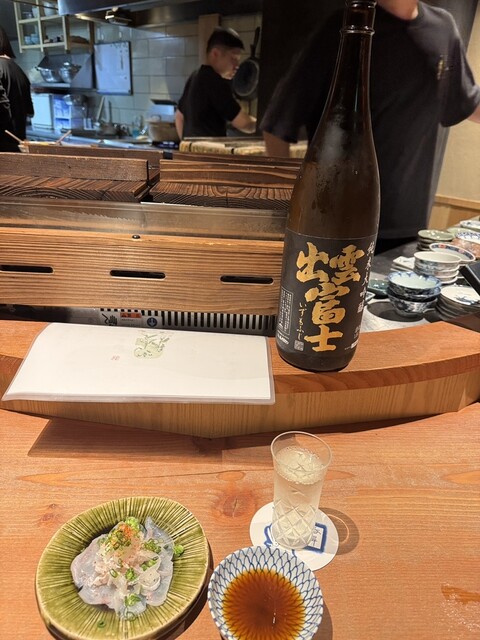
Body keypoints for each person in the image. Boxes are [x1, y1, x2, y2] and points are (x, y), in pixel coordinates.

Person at [261, 0, 480, 254]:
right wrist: (290, 207)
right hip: (337, 221)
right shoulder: (346, 25)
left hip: (409, 224)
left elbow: (467, 102)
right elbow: (278, 121)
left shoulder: (443, 28)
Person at [175, 27, 256, 139]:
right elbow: (244, 124)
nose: (237, 66)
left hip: (191, 149)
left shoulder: (195, 76)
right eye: (233, 58)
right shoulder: (214, 81)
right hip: (208, 150)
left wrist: (186, 145)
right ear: (215, 53)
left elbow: (179, 117)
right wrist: (265, 125)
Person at [0, 25, 34, 152]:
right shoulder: (19, 70)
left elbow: (2, 108)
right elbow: (30, 111)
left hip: (3, 149)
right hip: (18, 145)